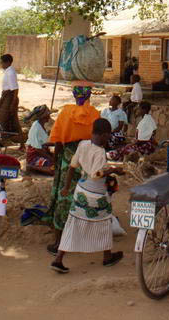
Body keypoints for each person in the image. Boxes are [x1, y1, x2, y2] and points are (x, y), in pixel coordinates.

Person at [50, 118, 124, 274]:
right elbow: (96, 174)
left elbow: (72, 167)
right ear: (104, 135)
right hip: (96, 194)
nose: (108, 138)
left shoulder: (83, 144)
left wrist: (65, 187)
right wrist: (113, 170)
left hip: (80, 191)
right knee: (104, 222)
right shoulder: (100, 153)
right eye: (108, 135)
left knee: (73, 223)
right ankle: (107, 257)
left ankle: (58, 259)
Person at [42, 82, 100, 254]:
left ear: (75, 95)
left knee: (64, 197)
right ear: (89, 95)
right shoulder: (96, 114)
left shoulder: (65, 112)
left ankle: (58, 242)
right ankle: (84, 238)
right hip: (87, 161)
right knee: (86, 196)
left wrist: (56, 160)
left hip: (68, 160)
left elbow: (58, 142)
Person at [0, 54, 25, 149]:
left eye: (2, 62)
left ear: (7, 62)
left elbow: (15, 89)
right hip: (6, 97)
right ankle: (1, 141)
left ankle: (21, 143)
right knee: (4, 120)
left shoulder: (10, 72)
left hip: (10, 98)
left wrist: (13, 103)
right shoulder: (8, 71)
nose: (1, 64)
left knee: (11, 121)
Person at [25, 104, 55, 175]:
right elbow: (37, 149)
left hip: (42, 152)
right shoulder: (36, 128)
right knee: (53, 169)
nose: (49, 116)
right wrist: (51, 158)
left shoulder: (40, 125)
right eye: (48, 115)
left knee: (59, 161)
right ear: (43, 117)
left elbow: (43, 143)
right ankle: (31, 166)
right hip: (34, 156)